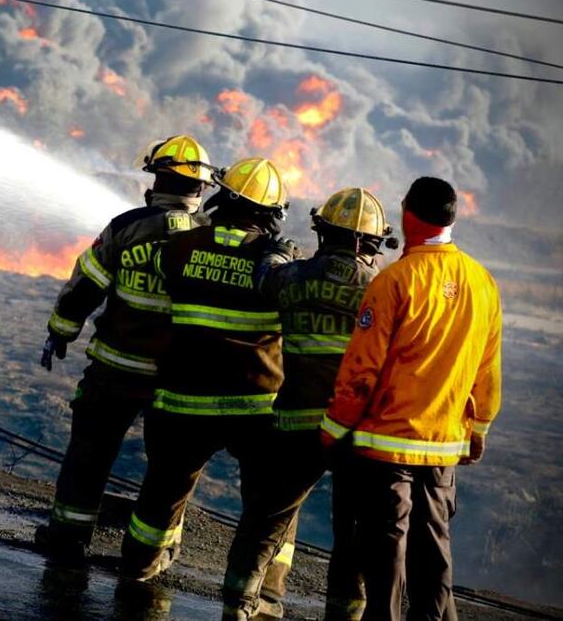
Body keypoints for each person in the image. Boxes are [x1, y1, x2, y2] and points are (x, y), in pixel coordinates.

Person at [320, 176, 503, 621]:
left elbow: (361, 372)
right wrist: (478, 431)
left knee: (386, 550)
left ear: (407, 215)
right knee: (434, 545)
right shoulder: (482, 283)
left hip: (387, 447)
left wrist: (333, 430)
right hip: (443, 446)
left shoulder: (394, 281)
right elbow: (488, 372)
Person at [35, 135, 215, 561]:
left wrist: (61, 332)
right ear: (202, 188)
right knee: (169, 473)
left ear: (157, 180)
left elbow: (86, 284)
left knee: (89, 455)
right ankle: (149, 557)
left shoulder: (127, 226)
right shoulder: (210, 240)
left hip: (114, 369)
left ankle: (67, 539)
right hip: (175, 379)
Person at [119, 157, 289, 599]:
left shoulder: (180, 247)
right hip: (255, 406)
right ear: (272, 214)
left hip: (183, 397)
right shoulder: (276, 266)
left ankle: (138, 567)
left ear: (222, 198)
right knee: (272, 502)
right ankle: (264, 591)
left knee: (163, 490)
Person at [226, 188, 397, 620]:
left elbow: (264, 278)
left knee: (266, 519)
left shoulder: (293, 278)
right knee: (353, 534)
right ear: (369, 242)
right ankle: (346, 613)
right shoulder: (383, 290)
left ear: (323, 232)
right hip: (357, 433)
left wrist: (278, 253)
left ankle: (238, 604)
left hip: (295, 423)